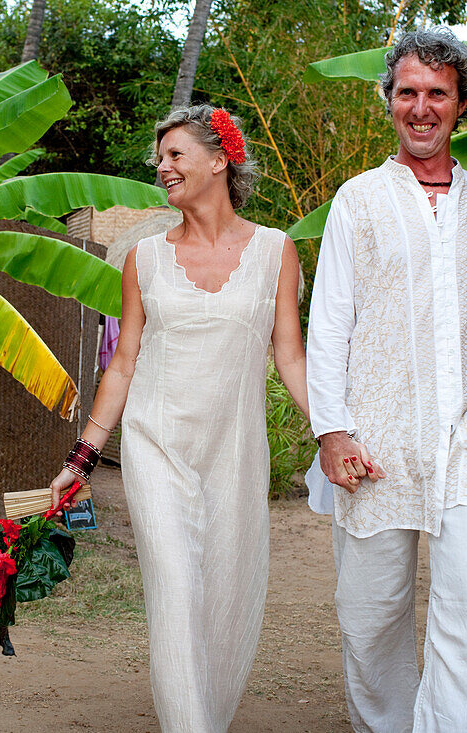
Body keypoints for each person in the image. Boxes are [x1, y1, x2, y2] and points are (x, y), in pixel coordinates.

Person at [304, 28, 467, 732]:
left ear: (461, 104)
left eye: (436, 93)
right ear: (388, 101)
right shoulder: (358, 202)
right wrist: (333, 428)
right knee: (373, 611)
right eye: (407, 92)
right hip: (378, 435)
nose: (421, 106)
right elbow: (329, 326)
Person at [50, 105, 308, 733]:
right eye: (159, 158)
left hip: (235, 453)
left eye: (175, 155)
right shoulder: (144, 259)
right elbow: (123, 363)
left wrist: (335, 432)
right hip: (154, 446)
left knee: (224, 593)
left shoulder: (277, 252)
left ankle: (206, 717)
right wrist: (82, 457)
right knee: (173, 588)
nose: (162, 168)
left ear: (220, 159)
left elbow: (290, 354)